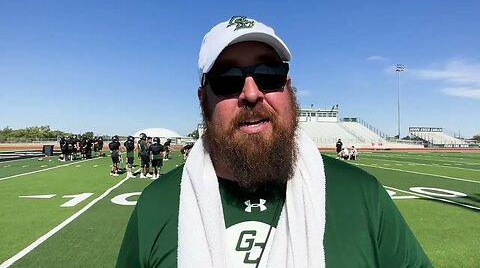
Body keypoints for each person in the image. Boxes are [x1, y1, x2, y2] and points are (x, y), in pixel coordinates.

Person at [117, 16, 431, 267]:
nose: (252, 94)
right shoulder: (155, 207)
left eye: (269, 74)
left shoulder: (363, 196)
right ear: (203, 100)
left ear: (288, 88)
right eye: (227, 79)